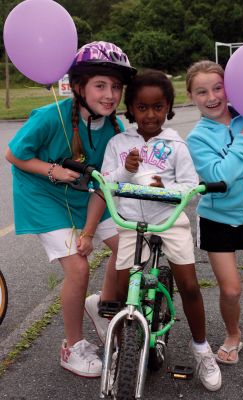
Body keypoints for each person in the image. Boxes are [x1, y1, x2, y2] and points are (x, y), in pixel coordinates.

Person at [5, 41, 136, 378]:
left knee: (127, 249)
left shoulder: (115, 129)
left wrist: (90, 232)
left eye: (116, 87)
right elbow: (14, 154)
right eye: (100, 85)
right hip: (42, 195)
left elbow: (104, 184)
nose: (110, 94)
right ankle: (72, 346)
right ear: (78, 87)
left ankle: (102, 303)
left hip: (85, 197)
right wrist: (51, 171)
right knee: (77, 269)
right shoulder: (51, 116)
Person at [100, 70, 222, 391]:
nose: (150, 114)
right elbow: (108, 183)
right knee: (125, 288)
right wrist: (127, 172)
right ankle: (122, 349)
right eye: (142, 107)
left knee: (189, 285)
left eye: (157, 107)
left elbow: (190, 185)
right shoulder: (119, 143)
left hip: (169, 221)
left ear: (168, 107)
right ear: (131, 109)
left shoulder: (175, 145)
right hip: (130, 223)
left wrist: (164, 186)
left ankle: (201, 349)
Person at [186, 60, 243, 365]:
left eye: (218, 88)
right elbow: (220, 175)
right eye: (202, 91)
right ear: (192, 97)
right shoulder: (197, 138)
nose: (212, 97)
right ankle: (233, 335)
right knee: (231, 290)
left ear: (229, 88)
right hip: (218, 221)